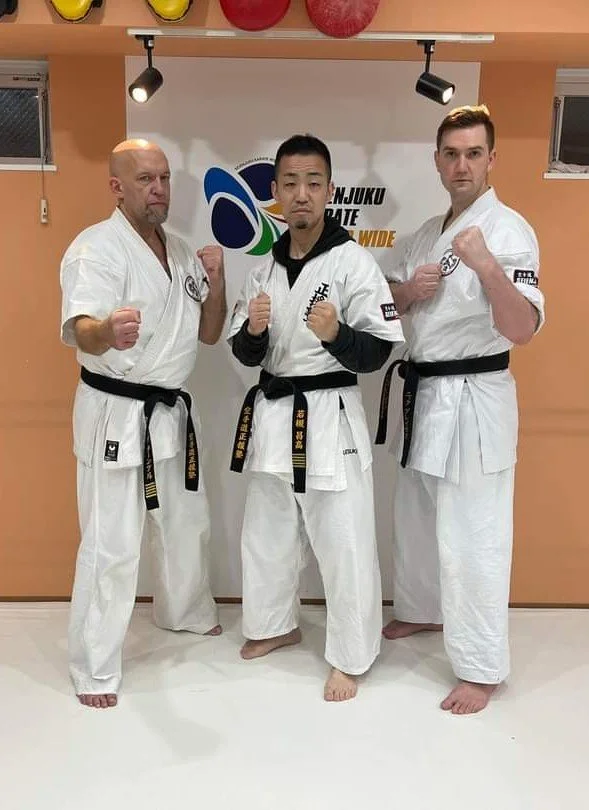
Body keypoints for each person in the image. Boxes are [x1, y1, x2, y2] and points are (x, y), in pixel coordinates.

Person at [378, 105, 546, 714]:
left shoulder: (507, 230)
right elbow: (385, 307)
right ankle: (422, 611)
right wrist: (407, 291)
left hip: (475, 398)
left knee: (474, 531)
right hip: (426, 394)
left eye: (474, 153)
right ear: (437, 162)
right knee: (419, 515)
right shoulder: (425, 233)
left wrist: (486, 268)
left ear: (491, 159)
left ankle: (480, 666)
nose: (462, 165)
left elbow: (522, 327)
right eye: (451, 154)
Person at [227, 134, 404, 702]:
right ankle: (276, 624)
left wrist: (337, 335)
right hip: (275, 414)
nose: (301, 195)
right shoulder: (265, 268)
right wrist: (254, 332)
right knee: (267, 532)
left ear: (328, 190)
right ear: (275, 192)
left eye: (312, 183)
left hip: (329, 415)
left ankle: (352, 654)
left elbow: (379, 350)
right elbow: (242, 352)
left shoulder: (353, 261)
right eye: (289, 183)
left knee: (344, 537)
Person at [60, 139, 227, 709]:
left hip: (170, 412)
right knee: (111, 542)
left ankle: (184, 611)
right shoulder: (95, 250)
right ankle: (94, 663)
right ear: (117, 186)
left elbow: (209, 332)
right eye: (145, 180)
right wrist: (109, 332)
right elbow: (81, 329)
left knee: (185, 521)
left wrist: (219, 277)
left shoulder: (180, 252)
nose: (158, 189)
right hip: (116, 410)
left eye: (164, 178)